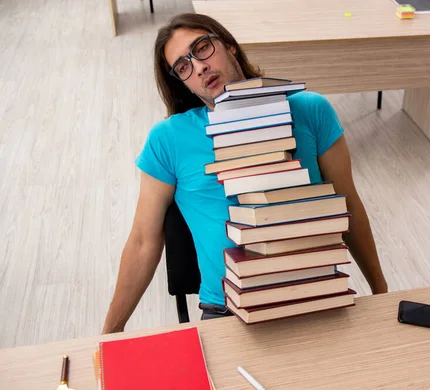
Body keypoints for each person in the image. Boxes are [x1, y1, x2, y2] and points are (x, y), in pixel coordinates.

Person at [101, 13, 388, 333]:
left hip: (316, 291)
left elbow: (346, 202)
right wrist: (110, 333)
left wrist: (382, 292)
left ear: (228, 46)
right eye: (183, 66)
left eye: (202, 48)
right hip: (227, 312)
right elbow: (142, 241)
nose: (198, 67)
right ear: (181, 82)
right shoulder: (169, 139)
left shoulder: (310, 110)